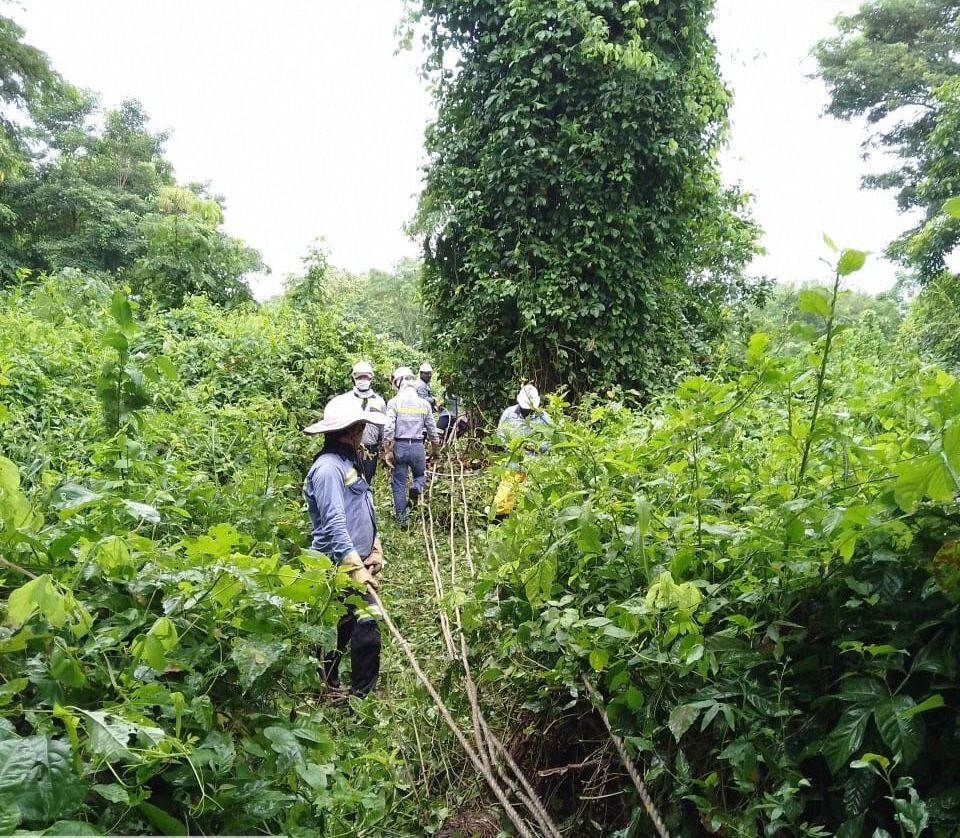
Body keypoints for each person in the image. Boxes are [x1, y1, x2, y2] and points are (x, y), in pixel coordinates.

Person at [303, 396, 387, 698]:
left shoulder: (350, 462)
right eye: (361, 425)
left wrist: (375, 547)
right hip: (333, 565)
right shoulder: (328, 469)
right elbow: (335, 525)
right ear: (354, 429)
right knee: (340, 628)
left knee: (359, 624)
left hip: (357, 560)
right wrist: (356, 568)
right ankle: (331, 687)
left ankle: (358, 696)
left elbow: (364, 505)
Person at [384, 366, 441, 527]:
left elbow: (388, 428)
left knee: (399, 484)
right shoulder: (424, 404)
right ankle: (416, 486)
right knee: (421, 475)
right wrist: (436, 452)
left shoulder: (393, 402)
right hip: (417, 446)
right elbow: (432, 430)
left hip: (399, 446)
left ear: (398, 382)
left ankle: (402, 522)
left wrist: (387, 451)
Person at [493, 384, 552, 517]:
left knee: (525, 503)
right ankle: (496, 525)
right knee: (502, 500)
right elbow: (500, 433)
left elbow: (550, 441)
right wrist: (512, 445)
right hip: (512, 464)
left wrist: (536, 446)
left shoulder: (544, 418)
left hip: (533, 468)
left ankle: (519, 526)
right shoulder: (509, 413)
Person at [341, 360, 387, 485]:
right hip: (350, 448)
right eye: (360, 376)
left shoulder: (379, 402)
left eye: (365, 376)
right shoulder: (347, 400)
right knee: (349, 481)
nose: (363, 379)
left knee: (367, 481)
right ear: (354, 378)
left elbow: (383, 427)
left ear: (371, 378)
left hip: (370, 449)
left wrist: (384, 447)